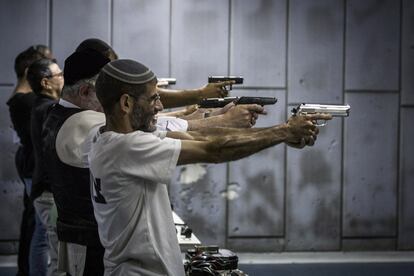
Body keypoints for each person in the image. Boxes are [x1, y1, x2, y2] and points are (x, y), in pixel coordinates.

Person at [89, 59, 332, 275]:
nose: (160, 107)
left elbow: (199, 136)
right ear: (126, 103)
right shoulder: (128, 147)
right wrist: (284, 131)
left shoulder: (109, 139)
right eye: (153, 99)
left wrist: (275, 133)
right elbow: (213, 149)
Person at [6, 45, 52, 276]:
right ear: (29, 73)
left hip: (30, 165)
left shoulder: (24, 99)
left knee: (34, 224)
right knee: (39, 229)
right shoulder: (27, 101)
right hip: (32, 166)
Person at [27, 58, 64, 276]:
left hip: (47, 192)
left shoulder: (43, 107)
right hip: (49, 194)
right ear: (45, 83)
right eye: (58, 74)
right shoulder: (49, 109)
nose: (63, 77)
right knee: (60, 258)